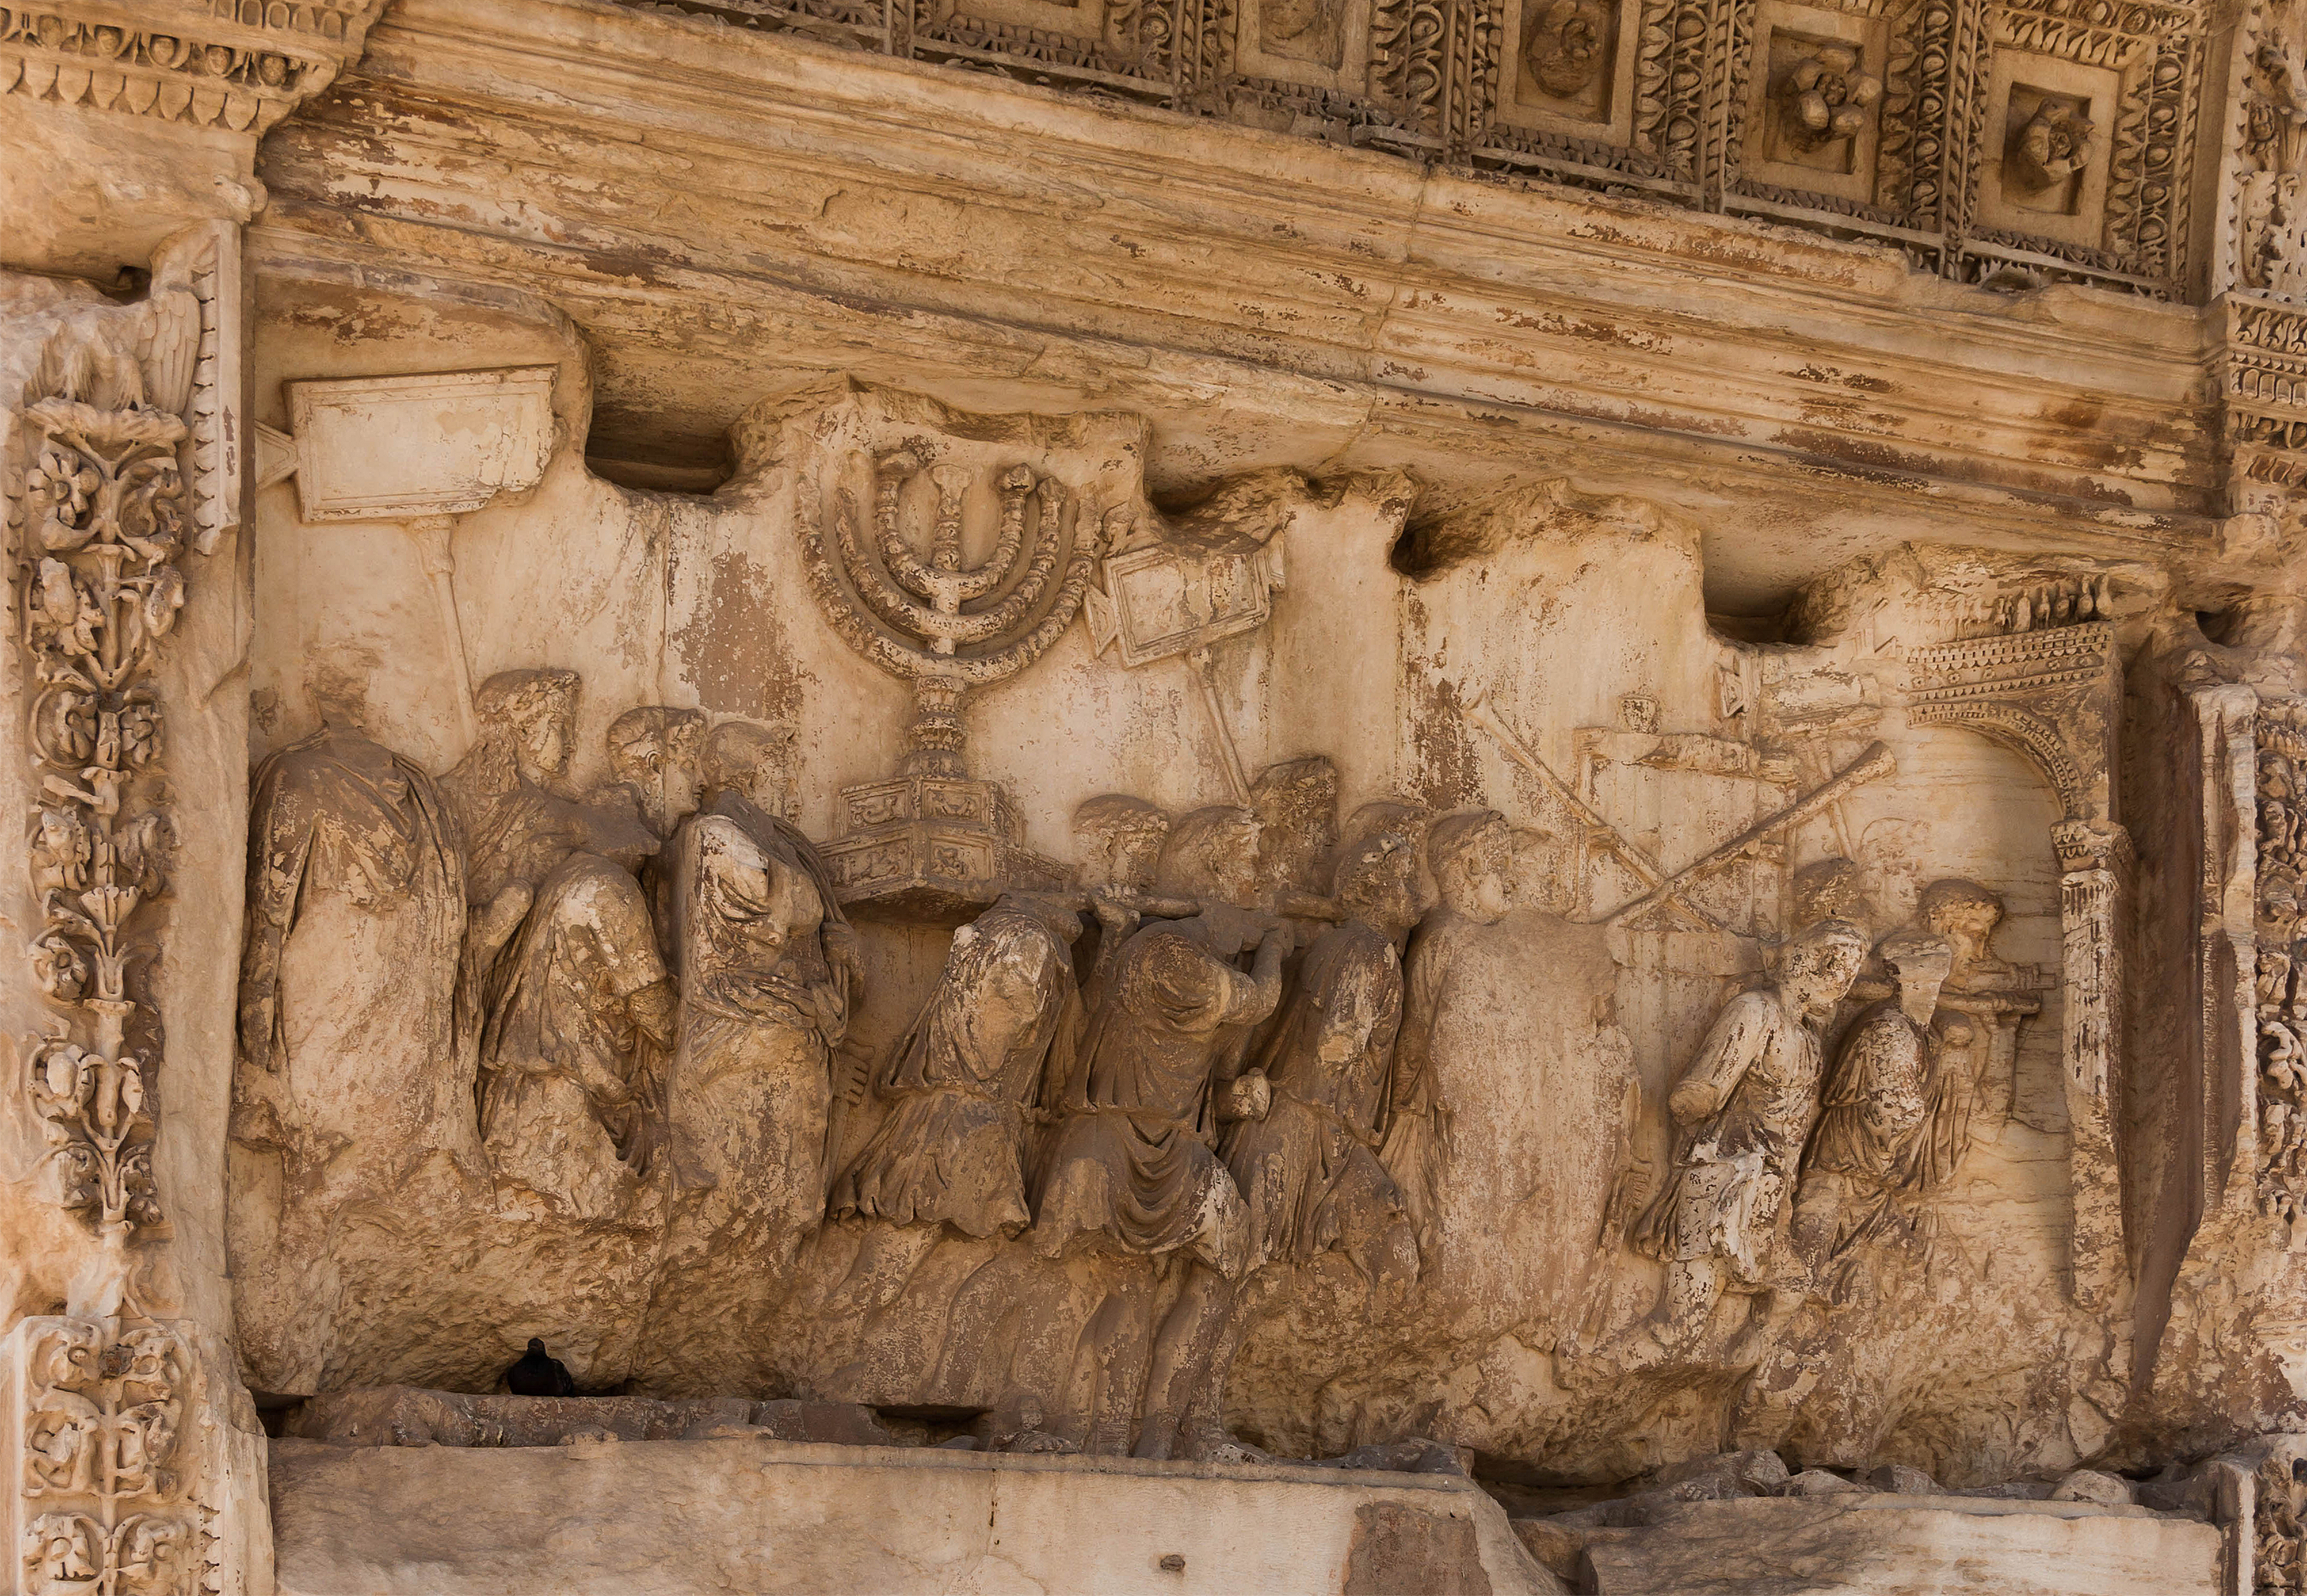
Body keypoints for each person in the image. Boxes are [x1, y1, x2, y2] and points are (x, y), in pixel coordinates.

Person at [1031, 805, 1293, 1457]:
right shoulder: (1172, 956)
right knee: (1141, 1283)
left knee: (1220, 1256)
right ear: (1211, 873)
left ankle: (1156, 1430)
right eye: (1246, 868)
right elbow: (1256, 1000)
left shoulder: (1174, 952)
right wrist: (1277, 949)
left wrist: (1233, 1097)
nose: (1257, 881)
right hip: (1127, 1146)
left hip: (1165, 1142)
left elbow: (1189, 1072)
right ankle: (1132, 1435)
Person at [1631, 917, 1869, 1345]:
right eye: (1837, 965)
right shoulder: (1755, 1011)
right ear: (1807, 961)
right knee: (1681, 1323)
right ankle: (1595, 1370)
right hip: (1722, 1176)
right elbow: (1697, 1093)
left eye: (1850, 971)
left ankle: (1736, 1370)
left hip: (1771, 1187)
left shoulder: (1811, 1036)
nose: (1843, 980)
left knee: (1789, 1286)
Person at [1379, 808, 1513, 1240]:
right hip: (1438, 1103)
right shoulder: (1450, 936)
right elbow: (1427, 1031)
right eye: (1501, 866)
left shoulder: (1457, 936)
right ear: (1470, 867)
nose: (1510, 879)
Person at [1794, 930, 1956, 1266]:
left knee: (1911, 1268)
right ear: (1899, 977)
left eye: (1936, 973)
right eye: (1922, 974)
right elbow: (1895, 1115)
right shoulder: (1890, 1030)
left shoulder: (1918, 1030)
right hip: (1842, 1174)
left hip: (1873, 1183)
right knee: (1801, 1274)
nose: (1929, 984)